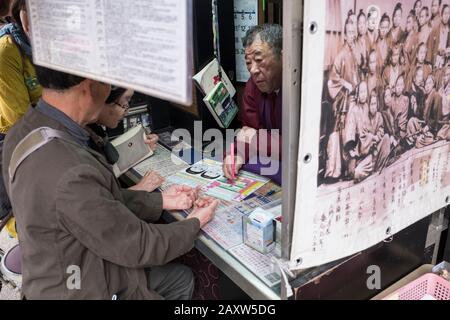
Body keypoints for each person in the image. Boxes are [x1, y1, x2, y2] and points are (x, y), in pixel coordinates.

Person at [2, 66, 219, 300]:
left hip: (56, 271)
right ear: (90, 85)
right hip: (86, 286)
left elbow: (97, 202)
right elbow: (140, 246)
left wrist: (162, 200)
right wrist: (196, 222)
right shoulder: (71, 172)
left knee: (178, 278)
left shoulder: (24, 130)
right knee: (176, 279)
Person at [222, 24, 283, 184]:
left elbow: (299, 147)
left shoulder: (304, 89)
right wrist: (236, 154)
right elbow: (248, 130)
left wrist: (256, 139)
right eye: (249, 62)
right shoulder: (253, 86)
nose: (253, 70)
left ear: (284, 57)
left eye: (258, 60)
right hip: (270, 162)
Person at [0, 0, 41, 220]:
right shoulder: (7, 50)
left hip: (48, 132)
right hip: (16, 139)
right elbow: (19, 119)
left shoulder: (50, 47)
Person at [87, 86, 163, 192]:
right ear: (104, 98)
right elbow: (99, 202)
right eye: (125, 102)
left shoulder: (92, 130)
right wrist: (140, 188)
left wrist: (141, 146)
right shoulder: (81, 140)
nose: (126, 111)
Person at [426, 4, 450, 69]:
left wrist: (447, 51)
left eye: (448, 13)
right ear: (441, 15)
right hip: (434, 60)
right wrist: (429, 63)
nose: (446, 16)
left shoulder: (448, 31)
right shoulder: (435, 29)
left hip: (444, 62)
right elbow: (430, 46)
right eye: (445, 13)